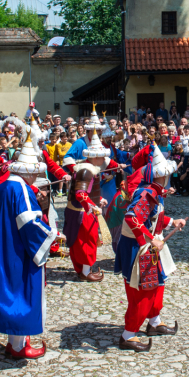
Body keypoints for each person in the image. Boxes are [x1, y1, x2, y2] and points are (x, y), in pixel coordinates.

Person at [0, 133, 57, 360]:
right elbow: (29, 222)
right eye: (35, 172)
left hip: (3, 245)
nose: (37, 175)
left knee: (9, 288)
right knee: (20, 291)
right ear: (28, 171)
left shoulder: (6, 185)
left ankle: (14, 341)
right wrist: (51, 235)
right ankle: (19, 346)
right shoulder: (21, 190)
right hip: (17, 249)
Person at [113, 146, 186, 352]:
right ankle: (128, 334)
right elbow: (132, 218)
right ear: (161, 176)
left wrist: (173, 222)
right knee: (143, 291)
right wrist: (150, 239)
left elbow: (154, 219)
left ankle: (154, 322)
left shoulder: (156, 192)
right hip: (138, 248)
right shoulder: (148, 193)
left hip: (146, 246)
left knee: (158, 284)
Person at [62, 113, 114, 283]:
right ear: (93, 156)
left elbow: (88, 193)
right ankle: (85, 272)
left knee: (83, 242)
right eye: (101, 157)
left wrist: (98, 201)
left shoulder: (90, 168)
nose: (103, 160)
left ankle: (83, 270)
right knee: (87, 242)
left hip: (82, 210)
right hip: (82, 213)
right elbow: (80, 194)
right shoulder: (87, 170)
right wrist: (93, 206)